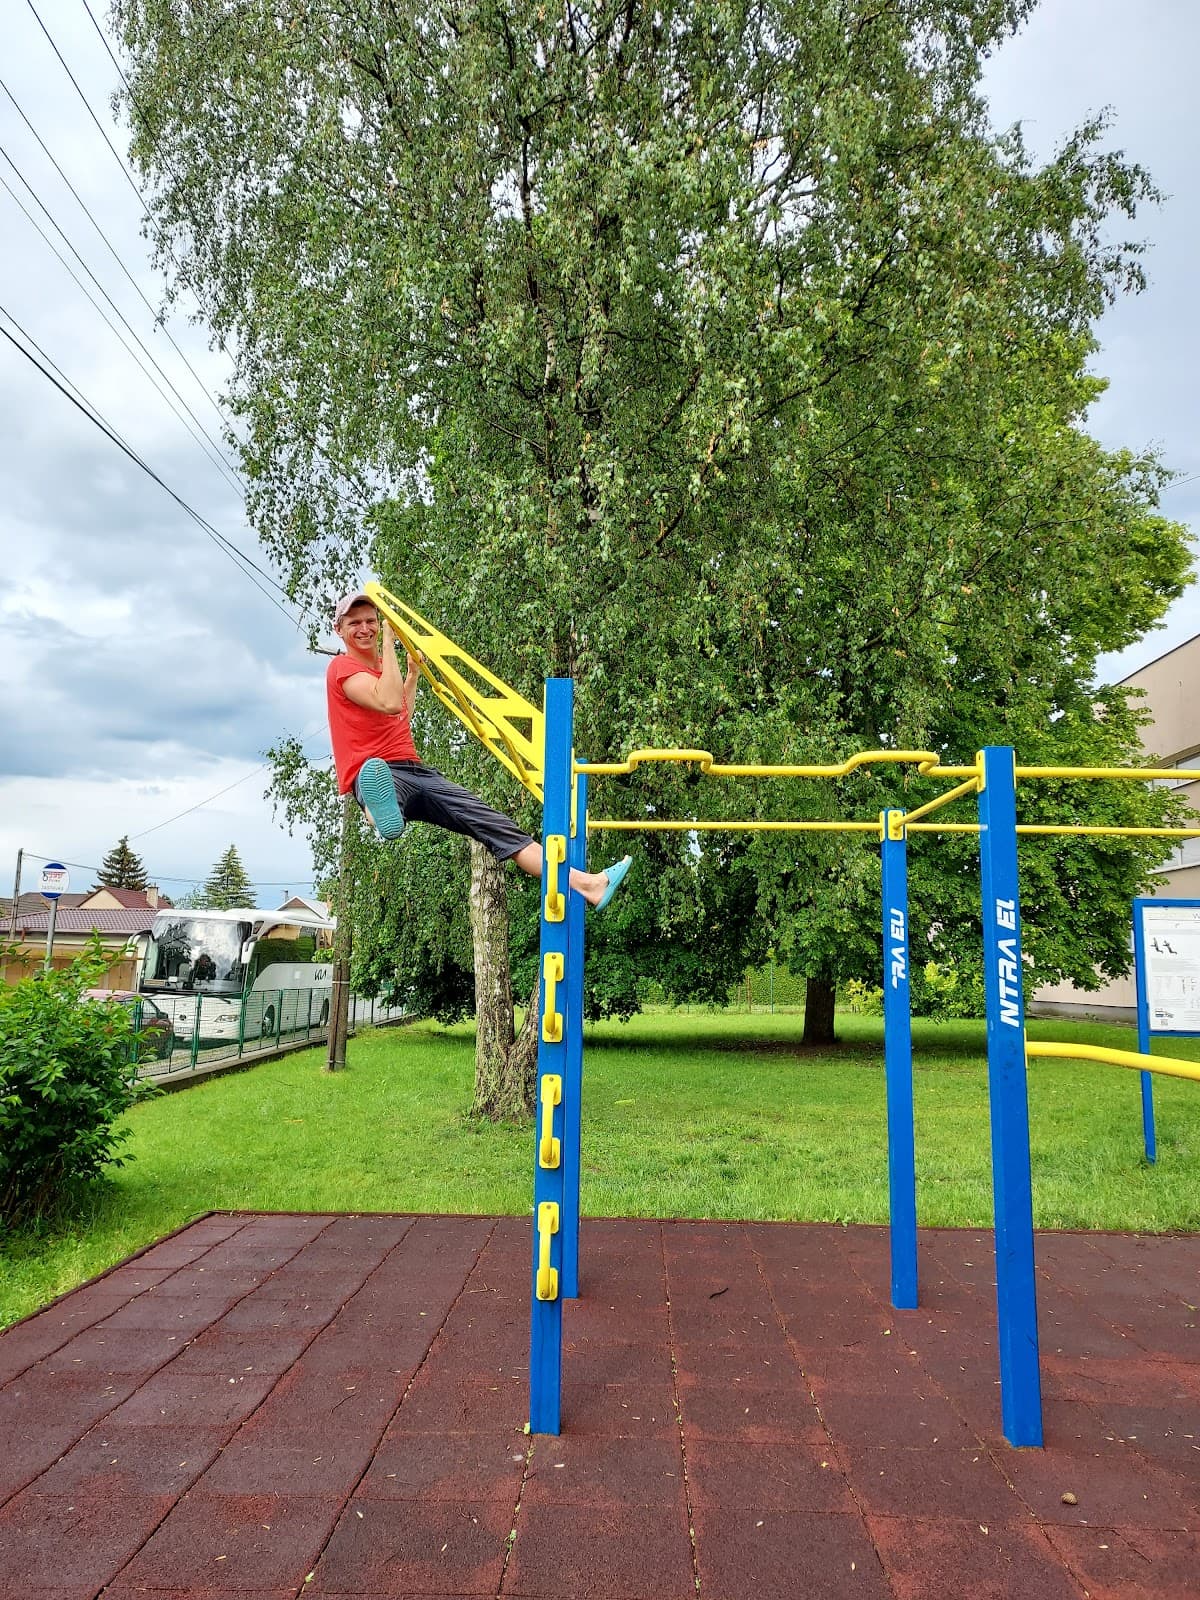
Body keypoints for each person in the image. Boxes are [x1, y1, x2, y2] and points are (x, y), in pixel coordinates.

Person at [326, 592, 631, 910]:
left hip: (416, 770)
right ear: (340, 630)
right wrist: (389, 643)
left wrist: (413, 675)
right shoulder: (341, 667)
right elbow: (387, 702)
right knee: (377, 777)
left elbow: (399, 712)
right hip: (380, 771)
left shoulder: (382, 671)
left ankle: (588, 885)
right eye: (354, 623)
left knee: (495, 826)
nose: (364, 628)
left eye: (371, 621)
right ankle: (378, 813)